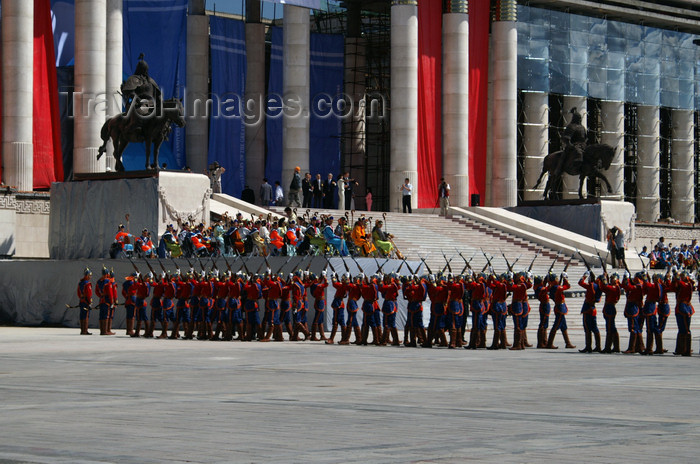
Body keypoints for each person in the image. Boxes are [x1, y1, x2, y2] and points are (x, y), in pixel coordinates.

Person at [77, 268, 93, 335]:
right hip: (86, 301)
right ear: (86, 275)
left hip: (81, 301)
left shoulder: (80, 283)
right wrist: (90, 302)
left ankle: (82, 330)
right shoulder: (87, 284)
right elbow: (89, 294)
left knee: (82, 315)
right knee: (86, 316)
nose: (90, 277)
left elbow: (78, 292)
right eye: (89, 275)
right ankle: (85, 330)